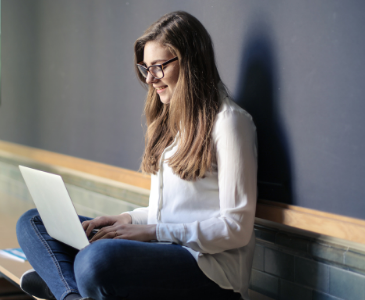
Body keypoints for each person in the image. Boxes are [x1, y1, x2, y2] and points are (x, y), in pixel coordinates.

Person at [16, 11, 257, 300]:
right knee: (33, 221)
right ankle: (72, 295)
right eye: (146, 68)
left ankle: (62, 284)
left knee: (95, 260)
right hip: (163, 248)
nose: (151, 79)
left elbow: (236, 229)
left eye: (159, 66)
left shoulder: (229, 122)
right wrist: (126, 220)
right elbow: (167, 213)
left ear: (191, 61)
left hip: (208, 269)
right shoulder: (171, 123)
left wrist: (153, 233)